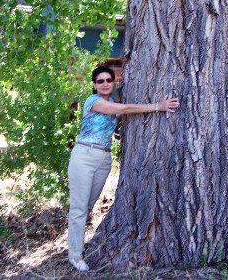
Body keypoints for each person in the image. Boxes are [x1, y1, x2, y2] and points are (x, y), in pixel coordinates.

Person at [67, 66, 180, 272]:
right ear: (94, 85)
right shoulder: (93, 102)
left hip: (103, 157)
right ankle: (74, 256)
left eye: (108, 80)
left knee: (87, 206)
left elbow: (119, 116)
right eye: (100, 81)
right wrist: (157, 106)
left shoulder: (110, 102)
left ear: (113, 82)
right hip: (83, 156)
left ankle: (77, 244)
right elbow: (124, 110)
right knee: (78, 208)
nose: (105, 84)